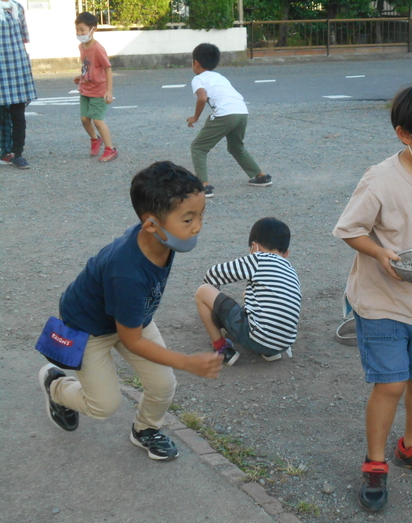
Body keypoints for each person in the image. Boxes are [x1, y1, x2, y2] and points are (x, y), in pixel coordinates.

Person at [332, 82, 412, 512]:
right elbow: (350, 229)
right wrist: (381, 253)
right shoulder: (381, 179)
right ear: (405, 134)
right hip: (380, 299)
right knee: (390, 383)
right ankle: (375, 463)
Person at [38, 161, 224, 461]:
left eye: (200, 215)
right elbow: (133, 340)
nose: (198, 226)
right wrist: (187, 361)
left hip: (131, 318)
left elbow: (132, 331)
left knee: (163, 385)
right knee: (104, 406)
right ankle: (56, 386)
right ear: (151, 225)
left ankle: (146, 429)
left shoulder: (158, 238)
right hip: (90, 326)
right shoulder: (125, 272)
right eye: (188, 220)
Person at [195, 217, 301, 365]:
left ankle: (221, 348)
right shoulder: (290, 270)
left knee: (203, 291)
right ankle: (269, 352)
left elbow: (214, 273)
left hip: (257, 337)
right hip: (282, 343)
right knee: (248, 296)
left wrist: (211, 304)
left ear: (254, 247)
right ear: (286, 253)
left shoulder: (259, 258)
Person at [186, 43, 271, 198]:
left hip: (225, 114)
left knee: (198, 147)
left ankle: (204, 186)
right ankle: (261, 176)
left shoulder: (198, 79)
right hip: (242, 112)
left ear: (196, 63)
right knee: (236, 147)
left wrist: (195, 117)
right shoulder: (220, 77)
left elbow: (202, 98)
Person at [74, 12, 117, 162]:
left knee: (98, 120)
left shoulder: (98, 49)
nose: (79, 33)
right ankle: (95, 139)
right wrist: (82, 77)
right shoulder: (82, 46)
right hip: (85, 89)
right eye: (77, 30)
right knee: (85, 119)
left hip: (99, 90)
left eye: (82, 30)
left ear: (93, 30)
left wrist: (109, 91)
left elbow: (107, 68)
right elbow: (89, 66)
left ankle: (110, 149)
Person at [0, 0, 37, 169]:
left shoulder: (18, 8)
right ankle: (4, 151)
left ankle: (18, 154)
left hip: (16, 67)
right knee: (1, 115)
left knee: (18, 115)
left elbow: (23, 37)